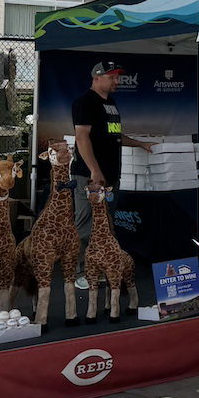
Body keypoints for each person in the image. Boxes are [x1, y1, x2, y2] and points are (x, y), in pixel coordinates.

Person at [71, 59, 153, 290]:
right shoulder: (84, 102)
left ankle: (101, 267)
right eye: (112, 77)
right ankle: (81, 272)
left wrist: (140, 144)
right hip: (89, 177)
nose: (117, 81)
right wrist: (94, 170)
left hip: (110, 177)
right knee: (86, 222)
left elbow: (114, 137)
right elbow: (81, 138)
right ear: (97, 77)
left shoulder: (112, 103)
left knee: (105, 223)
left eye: (118, 77)